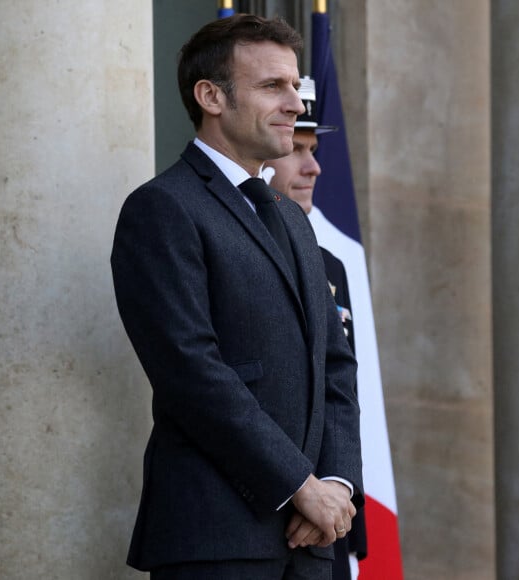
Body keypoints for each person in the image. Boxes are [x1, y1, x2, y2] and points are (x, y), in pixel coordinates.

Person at [110, 14, 363, 580]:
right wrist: (298, 487)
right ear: (211, 97)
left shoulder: (293, 221)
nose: (296, 104)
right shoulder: (162, 209)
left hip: (315, 541)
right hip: (217, 541)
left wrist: (337, 486)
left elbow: (336, 367)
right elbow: (191, 373)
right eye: (273, 86)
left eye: (295, 85)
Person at [265, 77, 368, 580]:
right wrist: (302, 489)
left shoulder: (329, 264)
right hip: (260, 512)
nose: (313, 166)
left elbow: (338, 381)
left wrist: (338, 485)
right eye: (297, 149)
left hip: (327, 524)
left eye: (315, 149)